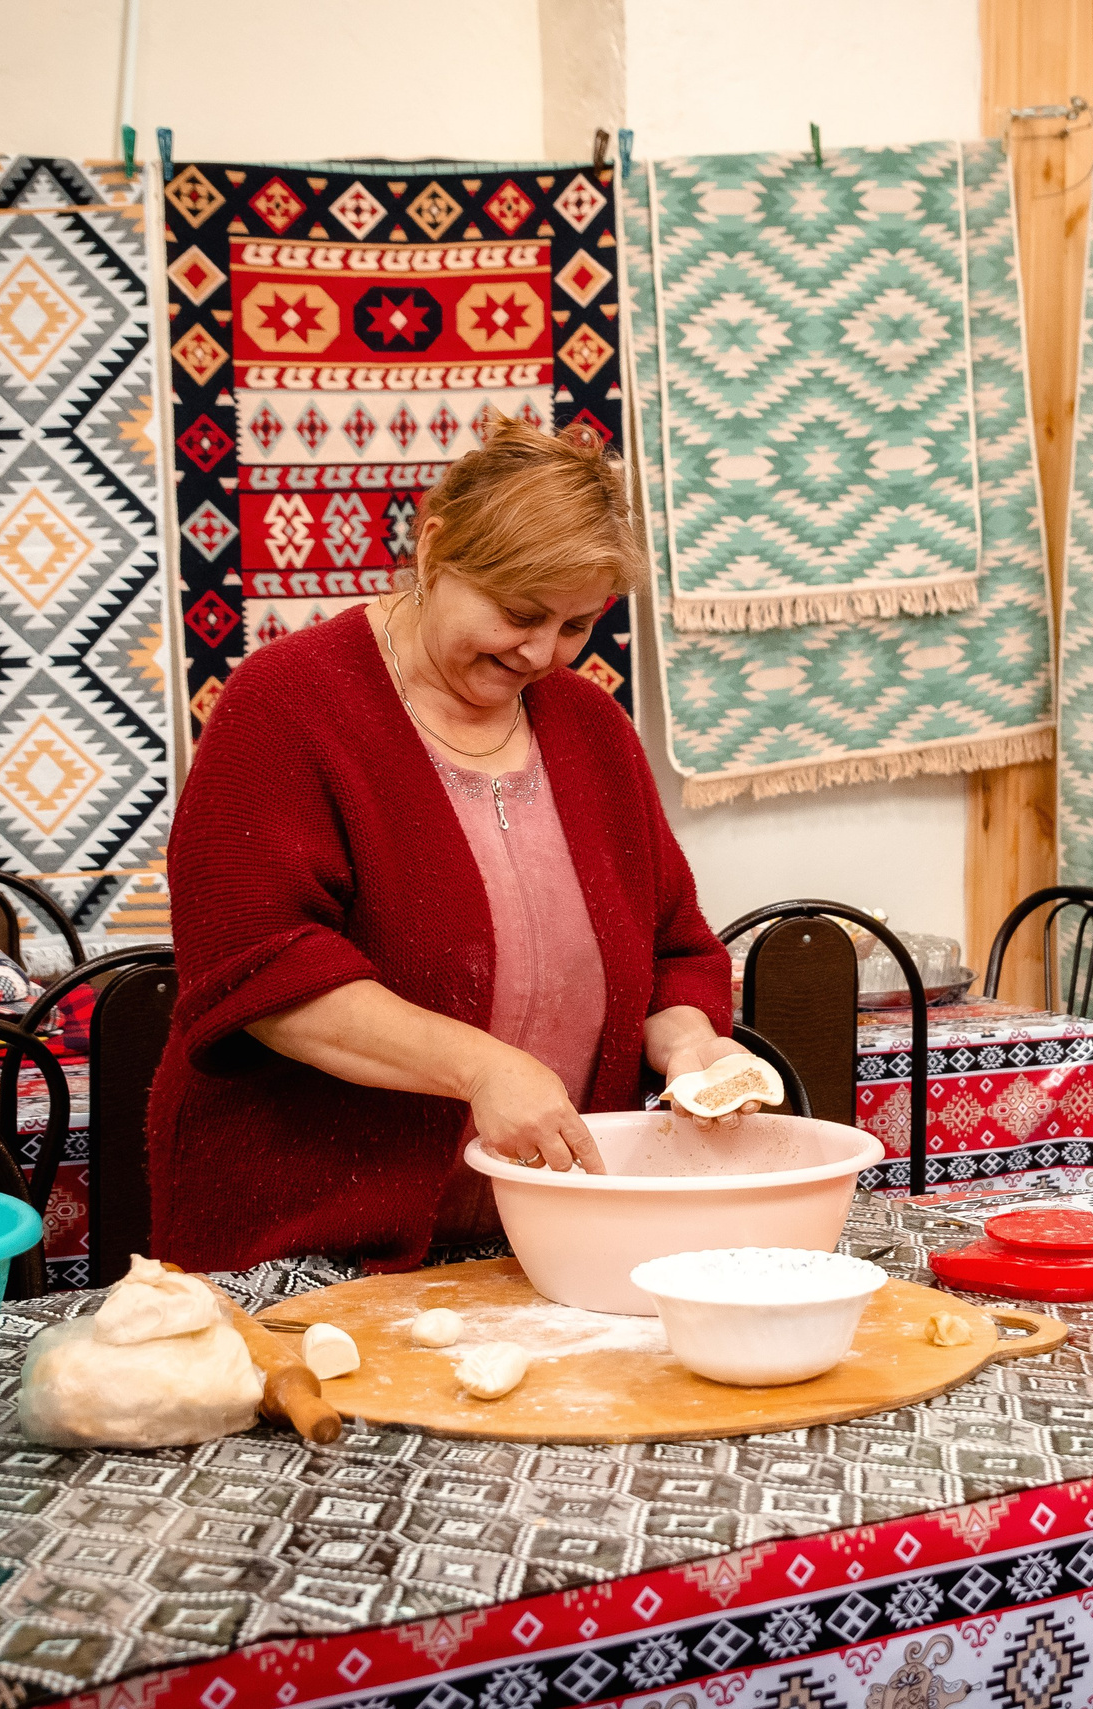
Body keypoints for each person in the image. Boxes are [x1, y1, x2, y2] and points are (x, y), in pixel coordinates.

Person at [149, 419, 746, 1273]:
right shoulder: (285, 706)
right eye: (519, 612)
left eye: (577, 625)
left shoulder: (592, 731)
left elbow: (672, 946)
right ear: (434, 549)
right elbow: (260, 971)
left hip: (542, 1244)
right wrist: (481, 1068)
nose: (543, 653)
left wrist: (687, 1041)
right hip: (311, 1248)